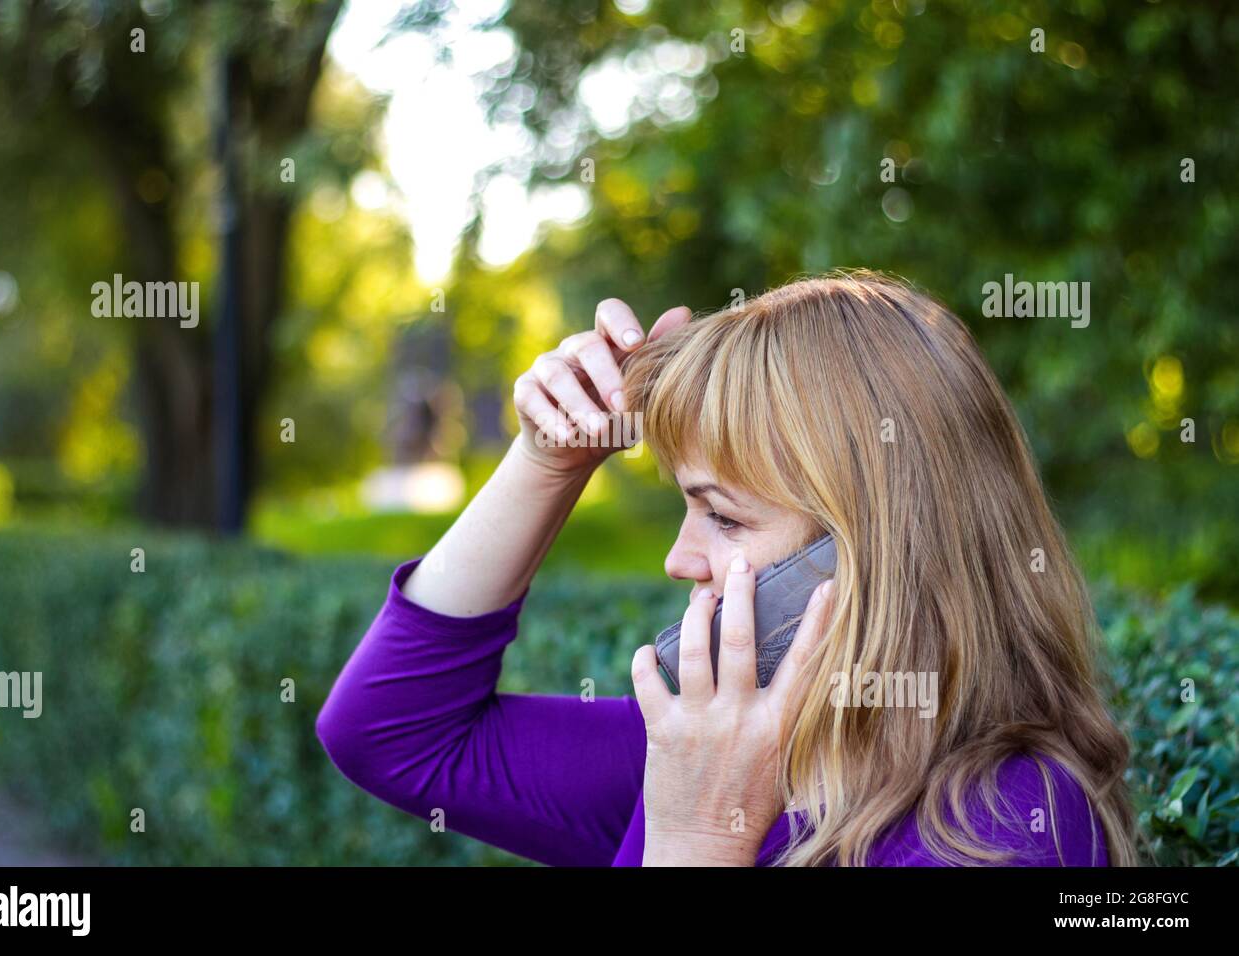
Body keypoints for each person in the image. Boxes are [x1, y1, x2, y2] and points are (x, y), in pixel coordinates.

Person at [316, 270, 1138, 866]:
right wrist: (546, 464)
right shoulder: (732, 752)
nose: (679, 559)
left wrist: (698, 840)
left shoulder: (1007, 827)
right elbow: (393, 734)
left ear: (875, 552)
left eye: (724, 515)